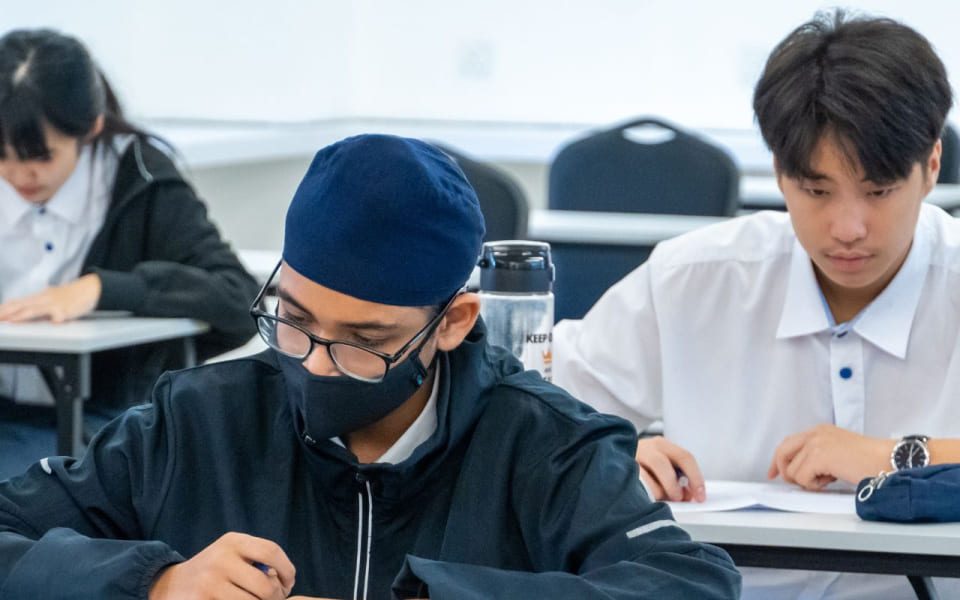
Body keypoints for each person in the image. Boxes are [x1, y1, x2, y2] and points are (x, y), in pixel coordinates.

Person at [0, 134, 741, 599]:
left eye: (363, 339)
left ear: (452, 323)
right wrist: (152, 582)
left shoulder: (543, 445)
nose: (317, 366)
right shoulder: (197, 422)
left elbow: (690, 584)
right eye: (293, 320)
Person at [552, 10, 960, 599]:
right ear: (778, 173)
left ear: (931, 167)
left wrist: (894, 457)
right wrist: (612, 458)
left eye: (879, 192)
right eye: (816, 191)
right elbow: (531, 420)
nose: (847, 227)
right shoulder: (694, 278)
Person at [0, 28, 259, 473]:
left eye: (41, 156)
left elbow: (237, 298)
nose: (20, 175)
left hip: (100, 428)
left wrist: (104, 289)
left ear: (91, 126)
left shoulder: (141, 181)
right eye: (1, 156)